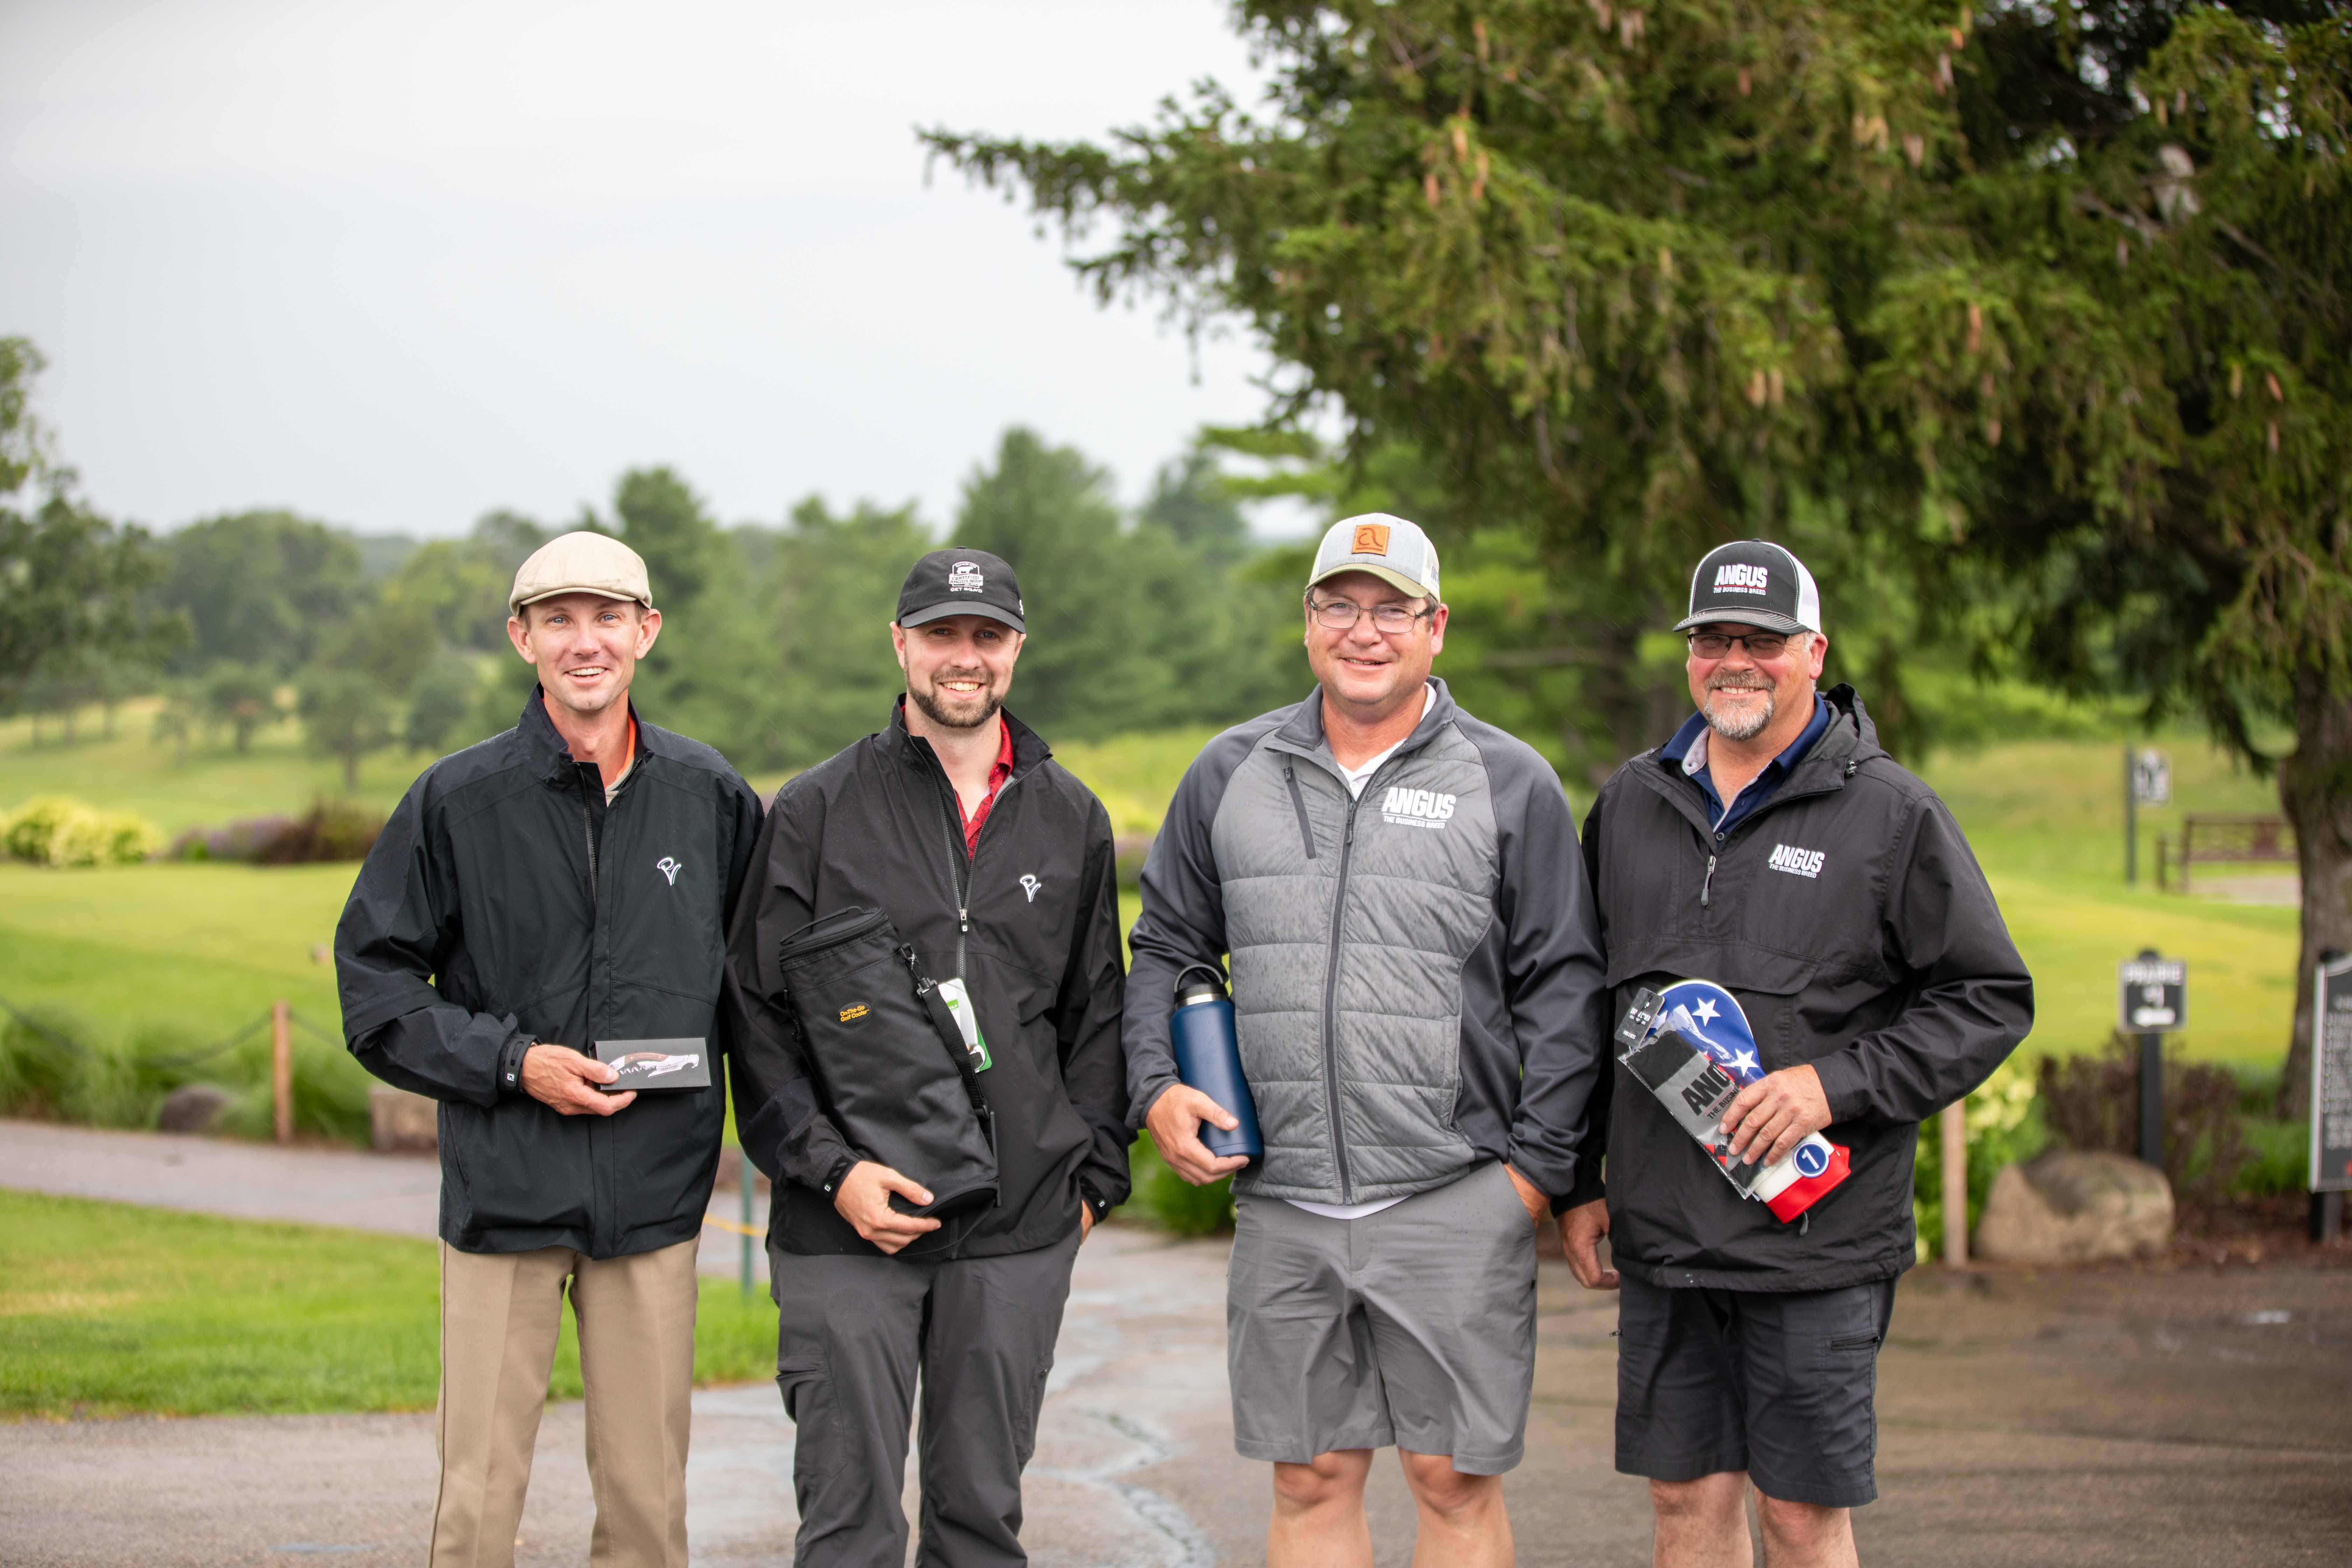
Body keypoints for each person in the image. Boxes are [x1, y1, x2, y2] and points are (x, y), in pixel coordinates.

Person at [1127, 514, 1608, 1568]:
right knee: (1308, 1480)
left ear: (1437, 628)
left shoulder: (1509, 779)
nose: (1365, 631)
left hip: (1453, 1195)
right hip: (1285, 1203)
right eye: (1340, 605)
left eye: (1394, 609)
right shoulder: (1230, 770)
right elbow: (1165, 943)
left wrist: (1533, 1179)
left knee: (1452, 1482)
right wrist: (1155, 1085)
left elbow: (1567, 988)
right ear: (1308, 622)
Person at [1564, 539, 2034, 1567]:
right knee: (1684, 1507)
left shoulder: (1892, 814)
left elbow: (1988, 998)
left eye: (1763, 641)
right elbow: (1591, 1013)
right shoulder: (1632, 804)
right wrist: (1580, 1182)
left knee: (1801, 1517)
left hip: (1816, 1241)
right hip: (1667, 1241)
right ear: (1690, 655)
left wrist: (1835, 1084)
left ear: (1814, 653)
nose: (1736, 661)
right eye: (1714, 640)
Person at [336, 531, 763, 1568]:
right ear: (521, 637)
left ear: (646, 632)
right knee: (478, 1506)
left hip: (655, 1197)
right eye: (559, 620)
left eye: (608, 617)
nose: (586, 642)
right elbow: (375, 988)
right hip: (505, 1195)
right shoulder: (456, 800)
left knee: (649, 1507)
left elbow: (762, 993)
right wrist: (510, 1062)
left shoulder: (710, 796)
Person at [723, 547, 1130, 1568]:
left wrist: (1090, 1185)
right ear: (900, 645)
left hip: (1017, 1232)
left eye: (987, 636)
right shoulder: (815, 810)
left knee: (981, 1523)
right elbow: (757, 1015)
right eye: (942, 634)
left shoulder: (1071, 815)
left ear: (1016, 649)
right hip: (847, 1224)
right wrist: (833, 1171)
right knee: (848, 1527)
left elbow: (1096, 1014)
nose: (965, 657)